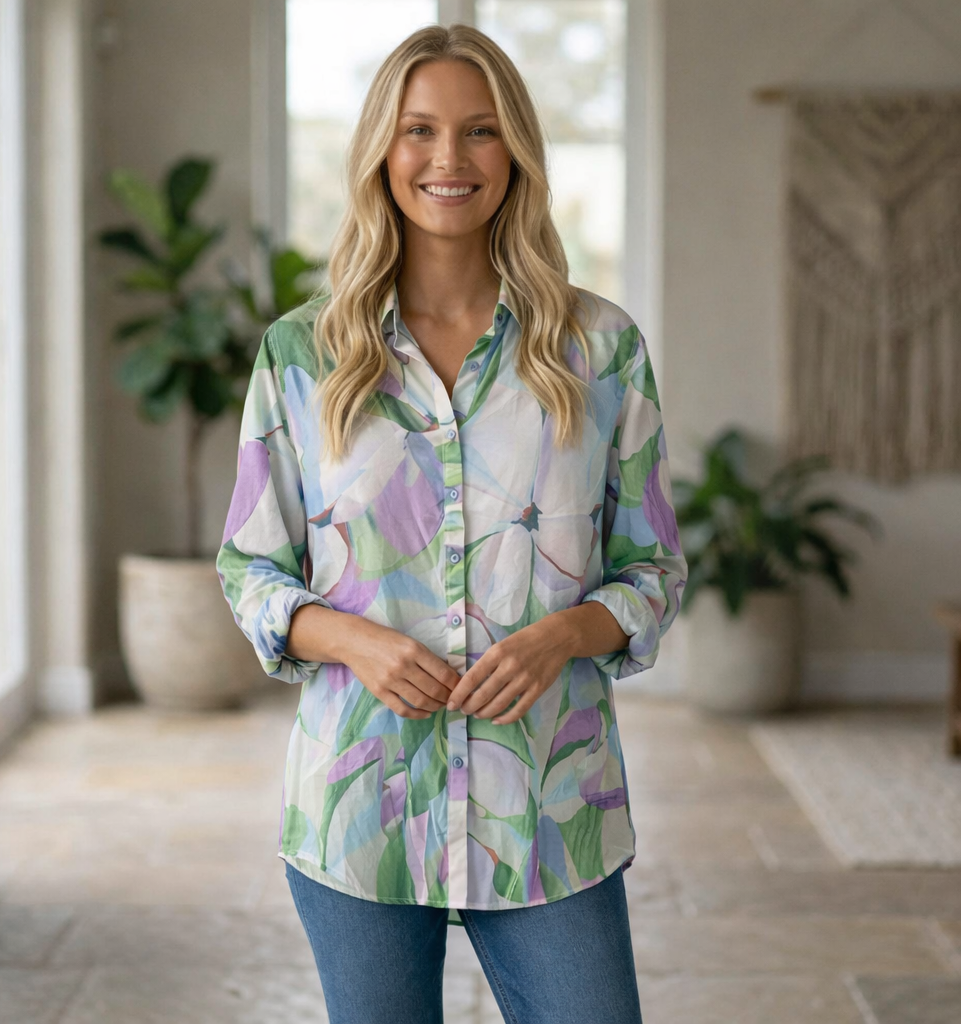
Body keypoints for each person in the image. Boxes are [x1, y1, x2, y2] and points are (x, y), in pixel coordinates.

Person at [216, 22, 686, 1024]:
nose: (446, 159)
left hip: (548, 804)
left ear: (513, 152)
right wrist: (352, 640)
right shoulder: (302, 354)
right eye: (418, 129)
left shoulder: (600, 349)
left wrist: (566, 634)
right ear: (381, 151)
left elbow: (652, 568)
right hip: (361, 801)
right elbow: (249, 567)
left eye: (479, 132)